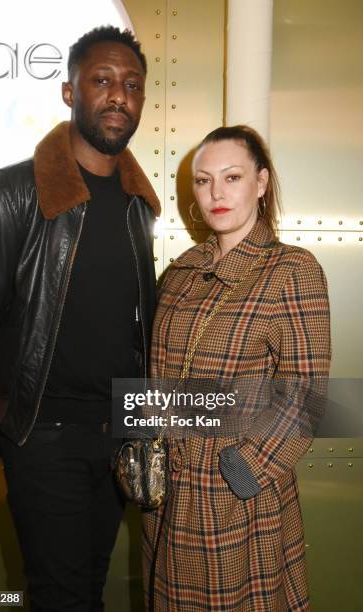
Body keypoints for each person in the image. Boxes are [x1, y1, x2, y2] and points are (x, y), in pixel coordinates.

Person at [0, 26, 160, 612]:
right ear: (71, 92)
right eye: (102, 80)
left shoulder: (138, 206)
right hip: (45, 439)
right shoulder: (7, 194)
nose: (119, 95)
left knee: (86, 588)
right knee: (63, 598)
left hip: (117, 436)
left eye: (132, 84)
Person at [142, 126, 331, 611]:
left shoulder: (291, 269)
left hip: (236, 496)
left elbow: (305, 396)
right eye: (203, 181)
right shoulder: (181, 272)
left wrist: (242, 470)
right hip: (166, 494)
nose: (217, 193)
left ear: (262, 183)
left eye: (232, 177)